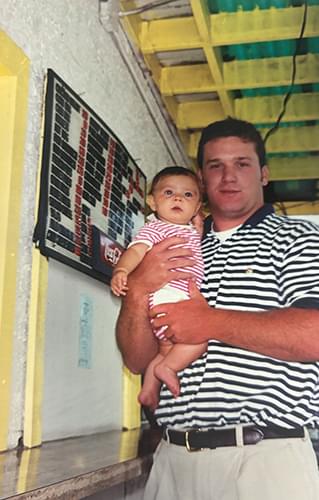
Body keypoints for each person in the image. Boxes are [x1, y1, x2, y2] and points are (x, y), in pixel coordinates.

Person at [116, 117, 319, 500]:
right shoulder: (168, 246)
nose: (228, 176)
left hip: (266, 462)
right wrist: (139, 287)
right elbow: (136, 358)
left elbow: (314, 336)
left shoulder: (300, 239)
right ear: (201, 179)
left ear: (263, 174)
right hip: (173, 460)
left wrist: (208, 321)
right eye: (215, 166)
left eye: (242, 164)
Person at [112, 166, 207, 410]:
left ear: (197, 208)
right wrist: (122, 270)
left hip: (172, 300)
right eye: (168, 193)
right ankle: (168, 368)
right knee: (200, 339)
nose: (178, 198)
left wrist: (198, 224)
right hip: (170, 296)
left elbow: (195, 234)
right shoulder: (155, 228)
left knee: (165, 348)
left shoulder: (188, 229)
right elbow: (135, 250)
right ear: (153, 203)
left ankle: (149, 389)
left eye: (188, 195)